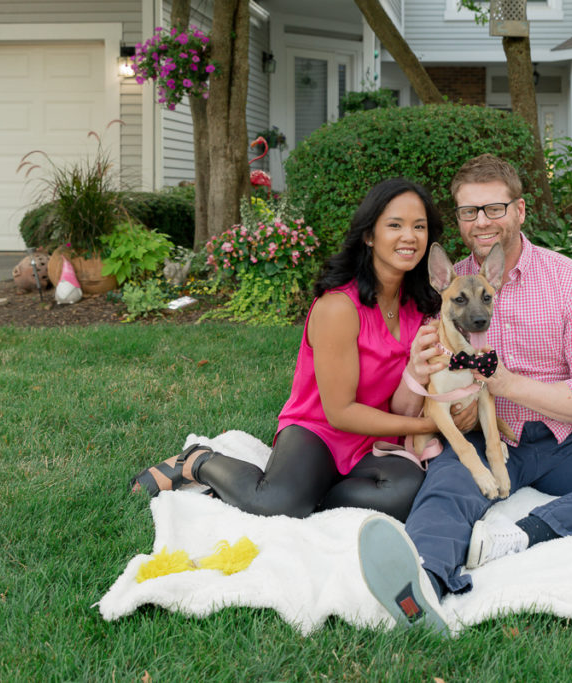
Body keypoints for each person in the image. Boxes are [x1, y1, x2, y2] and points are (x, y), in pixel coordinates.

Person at [357, 155, 572, 633]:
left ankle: (528, 532)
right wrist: (417, 375)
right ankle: (422, 588)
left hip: (566, 441)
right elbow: (414, 403)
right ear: (458, 220)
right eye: (468, 212)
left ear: (520, 210)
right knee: (446, 491)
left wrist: (504, 384)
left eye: (494, 208)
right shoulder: (447, 289)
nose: (482, 222)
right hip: (484, 435)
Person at [129, 178, 454, 522]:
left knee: (405, 493)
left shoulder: (421, 305)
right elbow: (340, 413)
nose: (410, 236)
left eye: (419, 226)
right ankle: (199, 461)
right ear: (369, 235)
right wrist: (429, 425)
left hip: (375, 436)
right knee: (276, 504)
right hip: (319, 429)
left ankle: (308, 495)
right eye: (395, 225)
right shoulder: (339, 308)